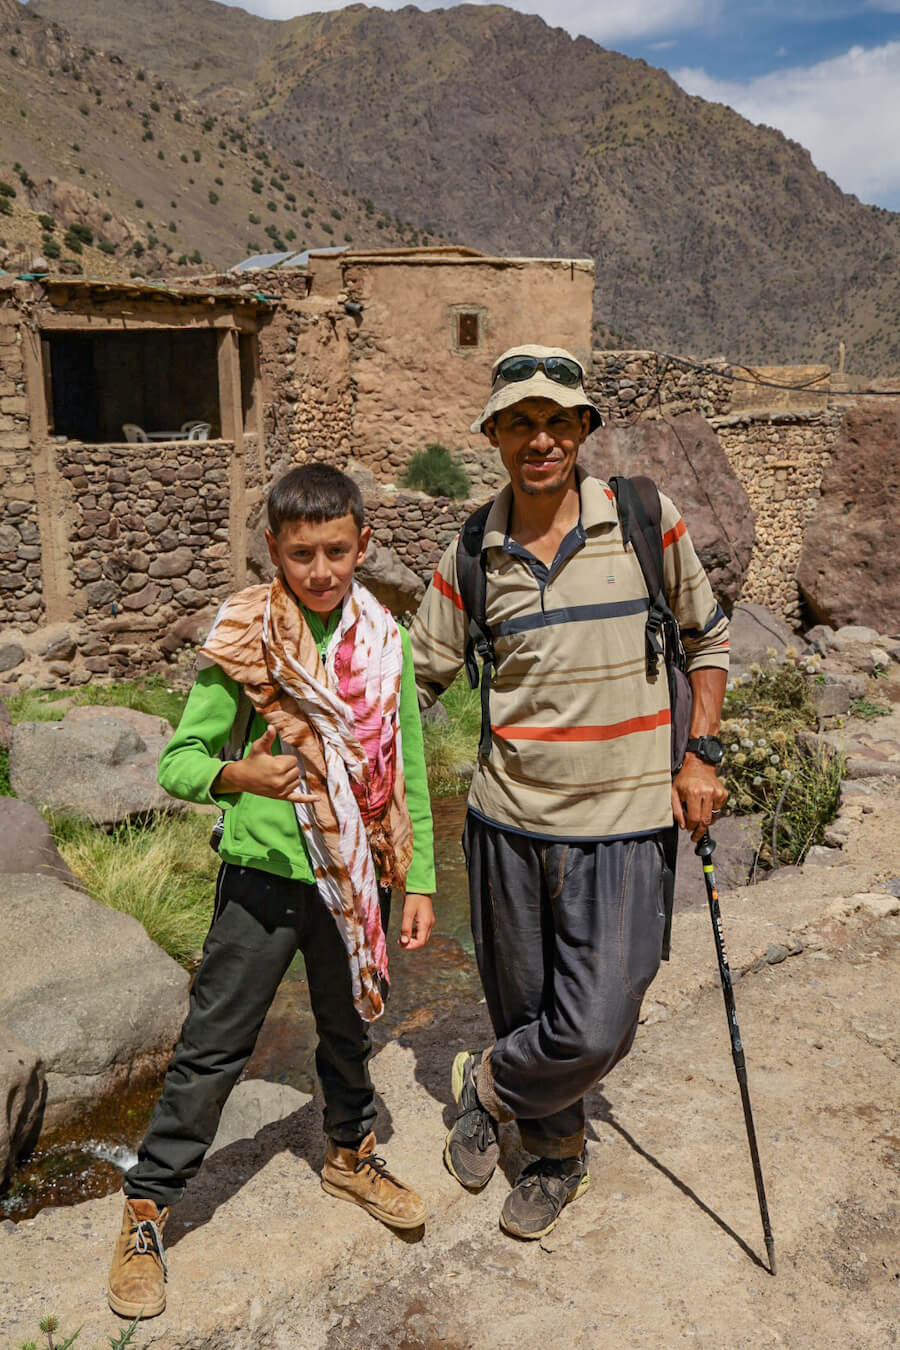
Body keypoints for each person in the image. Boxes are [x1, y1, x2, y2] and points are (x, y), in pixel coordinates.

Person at [410, 345, 729, 1241]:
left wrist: (698, 753)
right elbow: (414, 681)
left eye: (558, 421)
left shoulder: (641, 518)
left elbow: (707, 640)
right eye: (521, 423)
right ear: (495, 437)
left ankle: (487, 1086)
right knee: (526, 1003)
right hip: (506, 823)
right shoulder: (473, 548)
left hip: (625, 823)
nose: (540, 438)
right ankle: (556, 1157)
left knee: (595, 1026)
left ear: (585, 430)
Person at [107, 464, 436, 1319]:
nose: (322, 570)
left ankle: (349, 1153)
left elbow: (410, 771)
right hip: (259, 882)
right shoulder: (246, 638)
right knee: (213, 1048)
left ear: (364, 542)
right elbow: (178, 760)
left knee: (347, 1028)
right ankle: (149, 1206)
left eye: (336, 550)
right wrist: (239, 775)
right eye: (302, 554)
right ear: (274, 553)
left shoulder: (385, 641)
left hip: (352, 879)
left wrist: (420, 881)